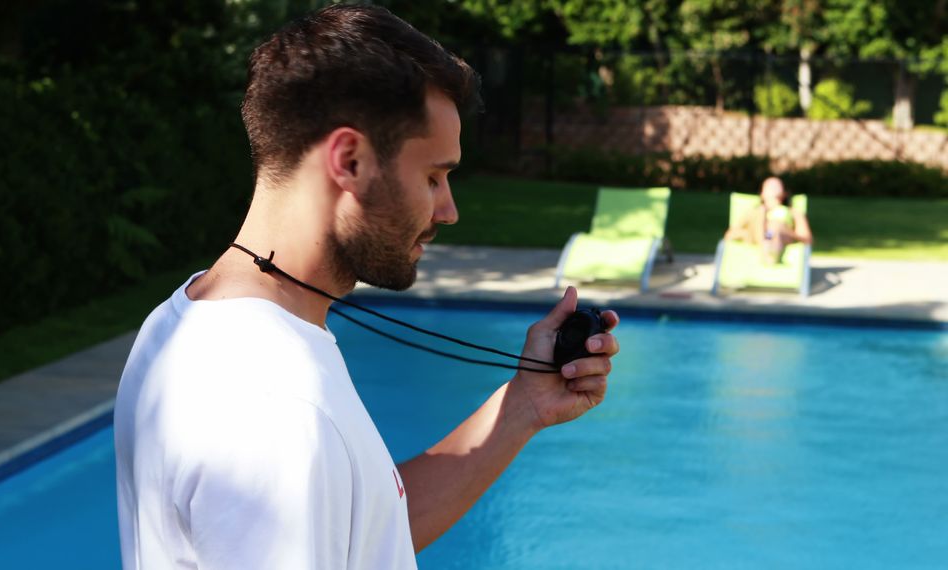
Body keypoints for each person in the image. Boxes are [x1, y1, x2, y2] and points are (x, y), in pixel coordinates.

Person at [113, 5, 620, 569]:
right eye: (433, 177)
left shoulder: (185, 318)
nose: (448, 210)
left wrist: (521, 406)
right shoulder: (279, 409)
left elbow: (367, 534)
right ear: (350, 161)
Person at [724, 176, 813, 264]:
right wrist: (750, 233)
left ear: (784, 193)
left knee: (774, 227)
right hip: (759, 237)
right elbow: (730, 235)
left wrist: (781, 229)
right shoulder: (753, 212)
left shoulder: (793, 212)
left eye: (776, 186)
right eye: (769, 186)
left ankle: (769, 247)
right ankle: (767, 246)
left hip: (778, 236)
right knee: (761, 214)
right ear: (762, 194)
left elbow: (806, 239)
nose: (773, 189)